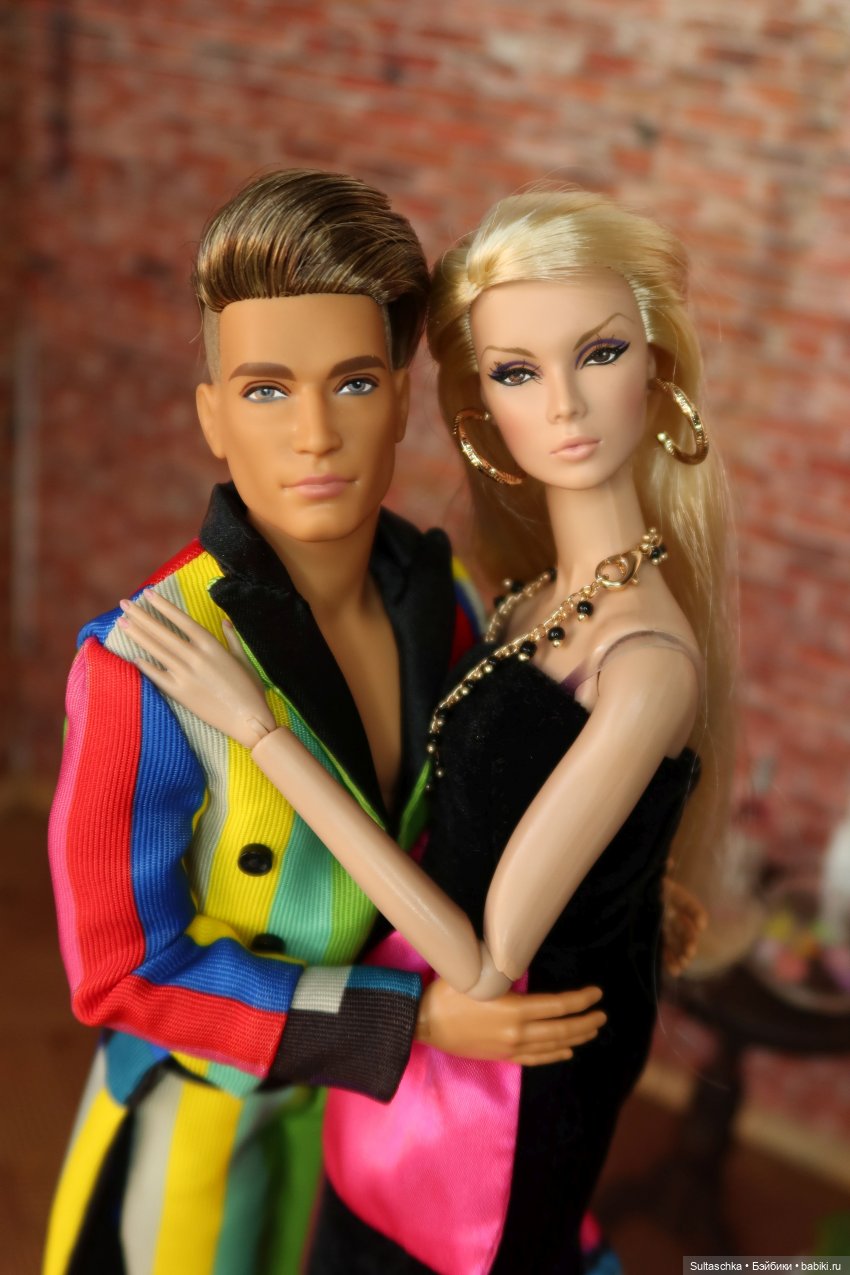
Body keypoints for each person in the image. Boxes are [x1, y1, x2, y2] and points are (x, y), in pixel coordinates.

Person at [44, 172, 611, 1275]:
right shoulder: (142, 665)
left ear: (401, 400)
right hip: (204, 1101)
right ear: (212, 416)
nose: (313, 434)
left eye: (351, 383)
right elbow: (119, 970)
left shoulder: (441, 605)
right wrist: (408, 1020)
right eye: (265, 390)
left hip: (362, 1116)